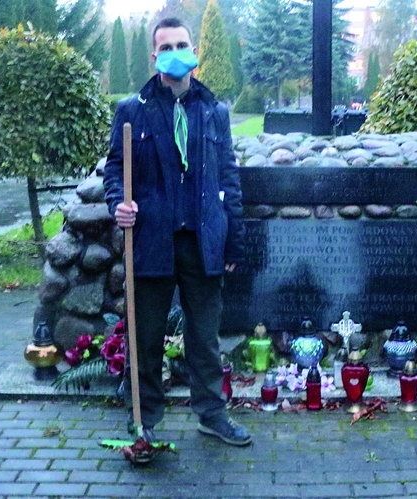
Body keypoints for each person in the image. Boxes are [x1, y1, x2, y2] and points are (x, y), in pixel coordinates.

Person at [103, 17, 250, 447]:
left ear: (194, 50)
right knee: (146, 337)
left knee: (204, 337)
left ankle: (211, 414)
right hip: (151, 240)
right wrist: (120, 204)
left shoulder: (214, 111)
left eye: (182, 44)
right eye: (165, 46)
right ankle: (144, 419)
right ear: (154, 56)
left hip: (202, 241)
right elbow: (116, 169)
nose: (175, 51)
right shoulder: (132, 110)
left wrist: (233, 239)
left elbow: (229, 178)